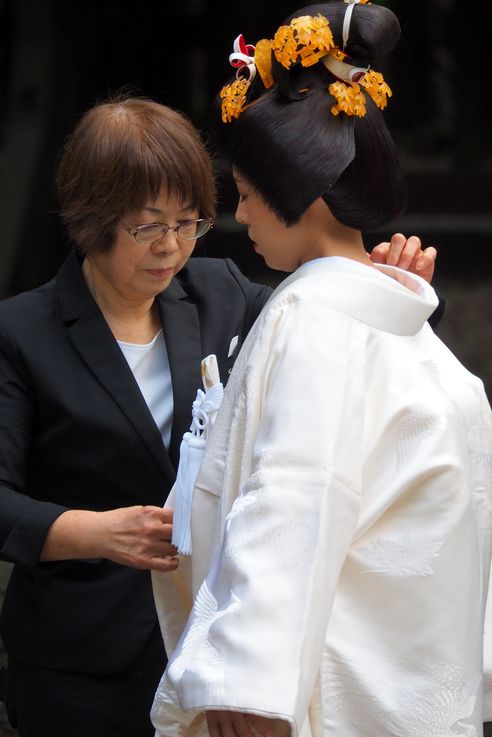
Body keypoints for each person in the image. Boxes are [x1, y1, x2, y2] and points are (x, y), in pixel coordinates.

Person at [0, 94, 436, 736]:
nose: (171, 248)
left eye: (189, 223)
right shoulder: (21, 331)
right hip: (82, 656)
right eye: (148, 227)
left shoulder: (221, 291)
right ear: (92, 218)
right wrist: (93, 533)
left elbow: (330, 328)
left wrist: (393, 289)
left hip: (209, 640)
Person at [150, 3, 492, 737]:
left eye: (243, 195)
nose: (241, 217)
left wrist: (248, 683)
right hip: (414, 681)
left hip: (329, 693)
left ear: (297, 191)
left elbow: (298, 496)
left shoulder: (312, 321)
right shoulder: (415, 337)